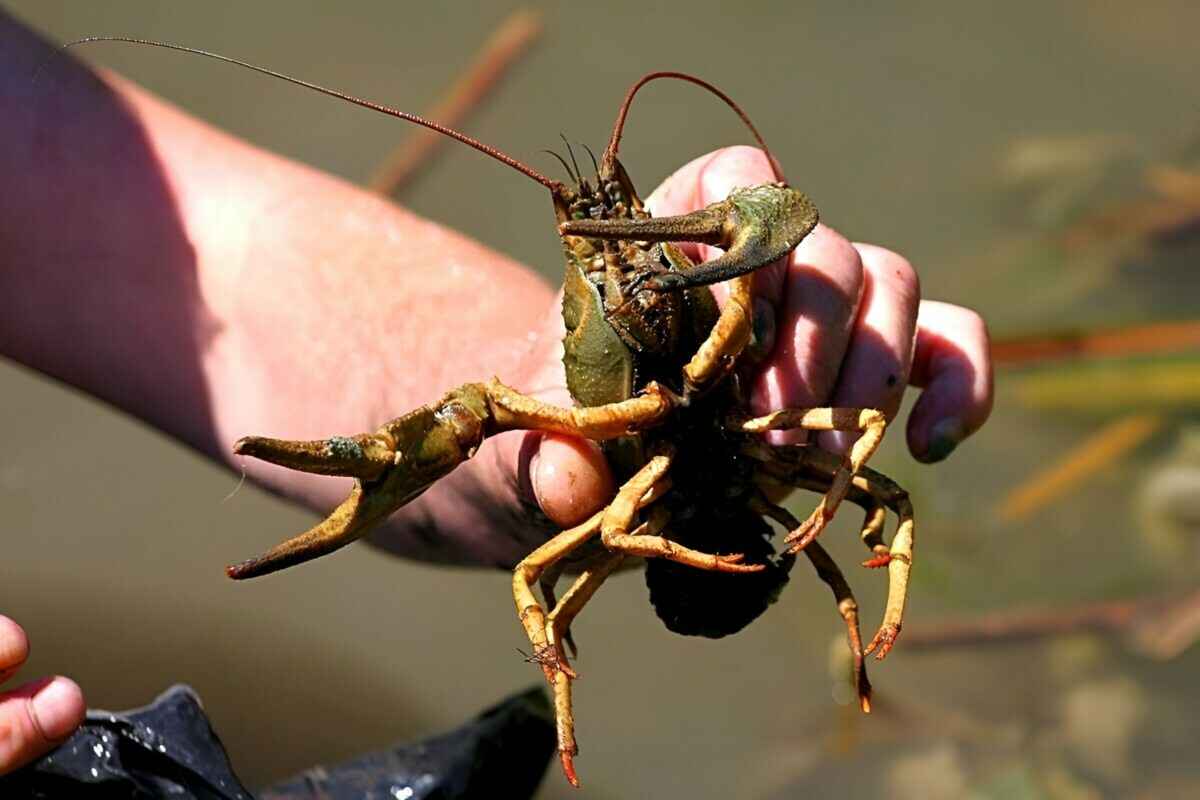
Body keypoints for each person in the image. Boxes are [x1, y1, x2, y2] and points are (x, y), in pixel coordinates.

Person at [0, 10, 993, 775]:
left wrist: (550, 397)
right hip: (653, 535)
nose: (624, 255)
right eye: (603, 248)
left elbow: (217, 263)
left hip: (701, 493)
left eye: (633, 237)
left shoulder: (696, 313)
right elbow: (538, 585)